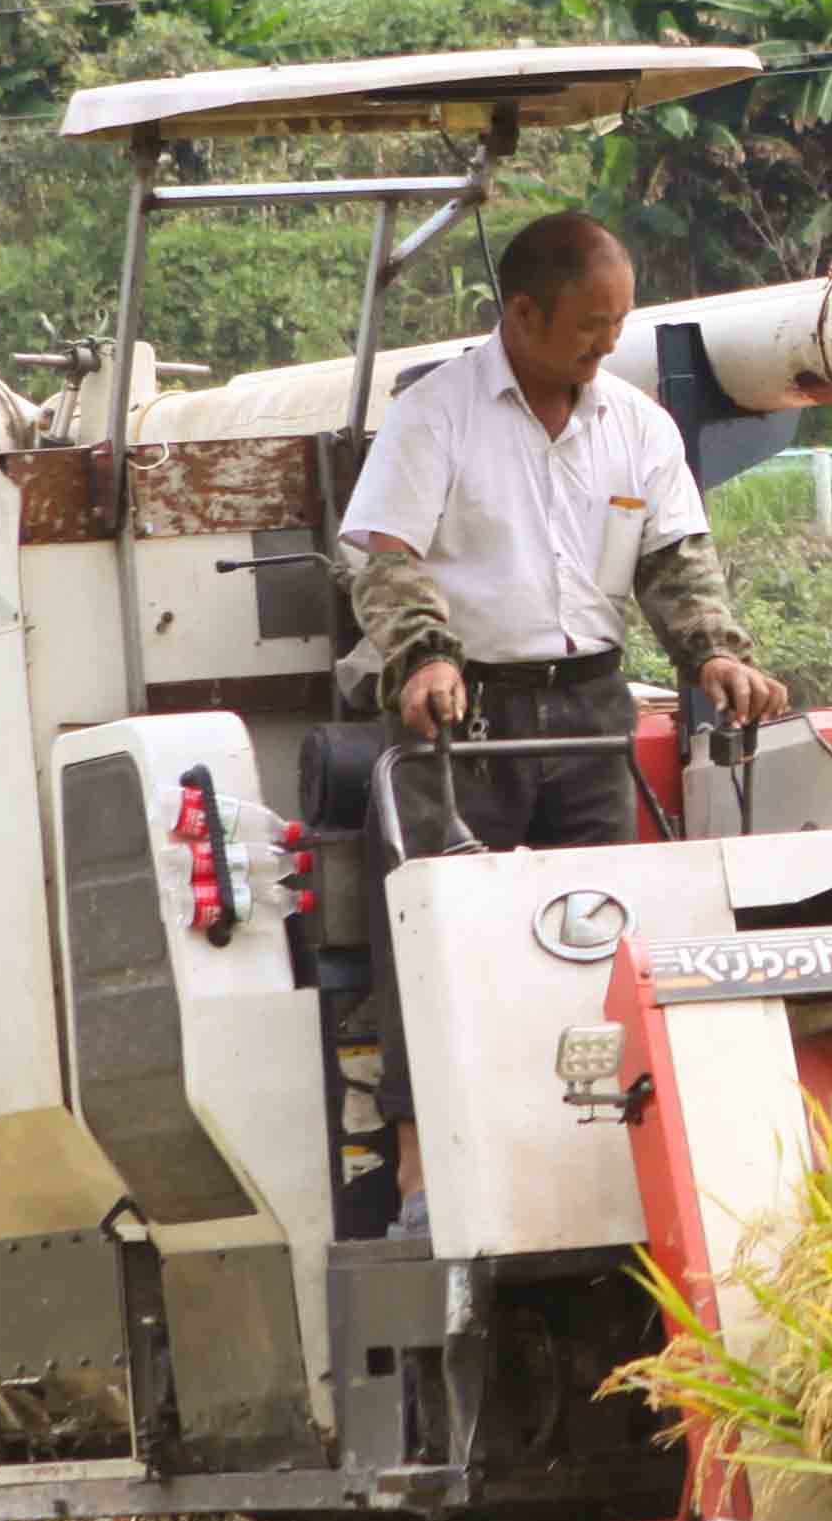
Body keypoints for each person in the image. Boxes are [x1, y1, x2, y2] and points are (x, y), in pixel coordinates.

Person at [333, 210, 790, 1232]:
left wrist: (716, 652)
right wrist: (424, 658)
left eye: (618, 322)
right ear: (523, 313)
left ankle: (607, 1166)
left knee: (601, 942)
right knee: (444, 940)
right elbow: (383, 553)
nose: (605, 343)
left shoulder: (636, 425)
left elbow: (675, 564)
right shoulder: (437, 415)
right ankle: (421, 1173)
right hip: (465, 720)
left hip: (587, 718)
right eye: (588, 323)